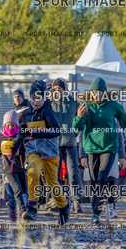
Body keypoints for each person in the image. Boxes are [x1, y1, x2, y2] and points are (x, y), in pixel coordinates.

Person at [73, 77, 126, 225]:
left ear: (105, 93)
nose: (97, 95)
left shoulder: (113, 106)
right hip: (91, 148)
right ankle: (96, 212)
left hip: (109, 148)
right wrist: (78, 117)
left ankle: (97, 212)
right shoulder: (86, 106)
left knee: (102, 177)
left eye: (100, 92)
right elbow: (76, 130)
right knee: (94, 181)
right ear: (91, 93)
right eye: (94, 92)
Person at [18, 80, 70, 224]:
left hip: (49, 152)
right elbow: (21, 132)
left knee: (52, 182)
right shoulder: (26, 113)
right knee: (32, 172)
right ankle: (32, 207)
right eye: (33, 98)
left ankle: (64, 206)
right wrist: (17, 145)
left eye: (39, 99)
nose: (36, 102)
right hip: (33, 151)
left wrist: (36, 133)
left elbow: (56, 131)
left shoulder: (47, 111)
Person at [50, 78, 82, 213]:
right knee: (55, 174)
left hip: (70, 143)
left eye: (60, 88)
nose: (57, 91)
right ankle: (58, 202)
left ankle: (76, 201)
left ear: (65, 89)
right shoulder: (49, 103)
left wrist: (75, 132)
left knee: (73, 173)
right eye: (55, 89)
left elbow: (81, 118)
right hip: (55, 144)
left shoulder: (73, 102)